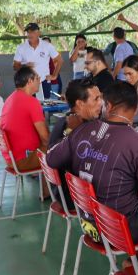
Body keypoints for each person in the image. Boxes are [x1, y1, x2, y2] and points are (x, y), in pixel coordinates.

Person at [46, 81, 138, 244]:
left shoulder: (80, 130)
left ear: (107, 106)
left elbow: (51, 158)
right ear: (136, 109)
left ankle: (136, 262)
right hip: (118, 231)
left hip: (89, 224)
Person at [46, 77, 103, 210]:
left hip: (64, 193)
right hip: (75, 197)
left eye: (100, 98)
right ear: (80, 104)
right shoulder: (72, 128)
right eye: (96, 99)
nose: (101, 103)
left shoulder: (64, 121)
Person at [0, 68, 50, 191]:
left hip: (11, 158)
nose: (40, 81)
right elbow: (45, 138)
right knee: (61, 149)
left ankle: (47, 189)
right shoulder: (31, 102)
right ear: (30, 81)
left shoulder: (10, 98)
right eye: (37, 78)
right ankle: (55, 194)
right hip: (22, 160)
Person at [12, 22, 62, 101]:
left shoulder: (47, 46)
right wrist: (24, 66)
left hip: (43, 82)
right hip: (27, 83)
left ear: (39, 33)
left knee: (43, 106)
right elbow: (15, 66)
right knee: (27, 106)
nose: (30, 34)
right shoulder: (21, 47)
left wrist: (54, 76)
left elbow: (60, 60)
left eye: (32, 32)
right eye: (28, 32)